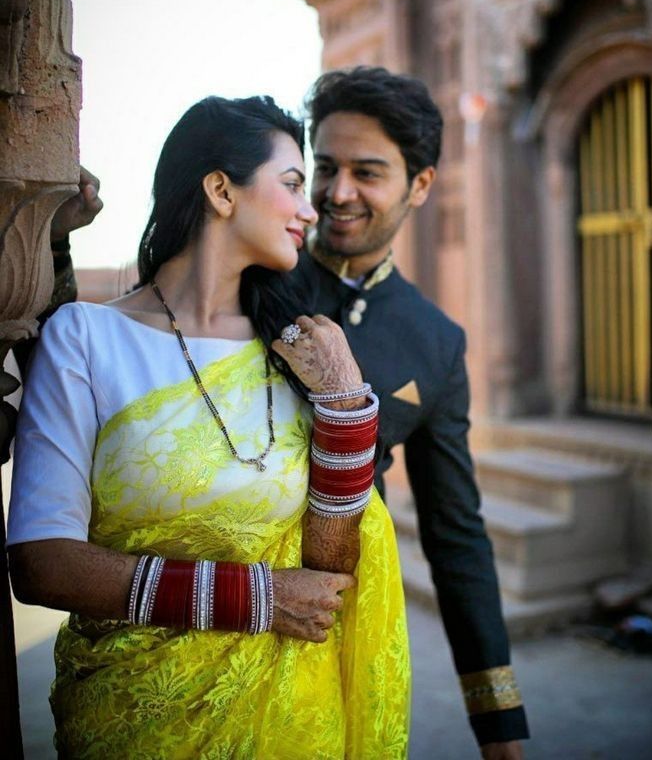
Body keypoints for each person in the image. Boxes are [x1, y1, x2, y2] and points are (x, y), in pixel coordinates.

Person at [7, 96, 410, 758]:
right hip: (133, 721)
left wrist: (344, 403)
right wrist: (257, 599)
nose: (311, 210)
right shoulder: (86, 338)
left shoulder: (300, 351)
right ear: (221, 190)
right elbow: (42, 565)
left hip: (290, 722)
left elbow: (329, 574)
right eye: (291, 184)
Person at [299, 67, 529, 759]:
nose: (338, 193)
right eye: (325, 167)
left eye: (367, 172)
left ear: (419, 185)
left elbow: (455, 536)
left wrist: (500, 727)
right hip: (213, 599)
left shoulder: (434, 342)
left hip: (339, 623)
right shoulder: (254, 283)